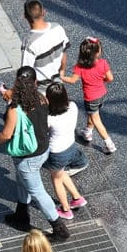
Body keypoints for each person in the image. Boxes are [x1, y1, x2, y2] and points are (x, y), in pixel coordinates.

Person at [0, 66, 71, 243]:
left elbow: (6, 134)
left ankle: (59, 229)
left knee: (37, 192)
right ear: (35, 82)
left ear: (17, 84)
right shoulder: (42, 98)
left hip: (27, 156)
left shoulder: (15, 109)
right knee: (21, 180)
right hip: (42, 148)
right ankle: (21, 215)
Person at [61, 37, 116, 154]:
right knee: (93, 113)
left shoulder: (80, 67)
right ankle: (87, 132)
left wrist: (61, 77)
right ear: (98, 52)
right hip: (101, 94)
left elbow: (72, 80)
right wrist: (101, 79)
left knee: (96, 119)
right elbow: (110, 78)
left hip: (90, 98)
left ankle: (108, 143)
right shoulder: (103, 63)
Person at [44, 82, 88, 219]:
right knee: (61, 173)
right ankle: (77, 198)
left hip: (57, 152)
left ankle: (65, 209)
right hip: (70, 145)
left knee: (56, 179)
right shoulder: (73, 106)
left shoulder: (50, 117)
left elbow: (43, 131)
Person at [21, 0, 70, 94]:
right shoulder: (58, 28)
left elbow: (26, 72)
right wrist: (62, 72)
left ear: (25, 16)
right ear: (44, 12)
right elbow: (64, 54)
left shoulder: (29, 42)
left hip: (41, 88)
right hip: (58, 83)